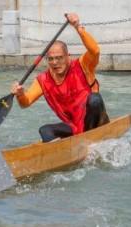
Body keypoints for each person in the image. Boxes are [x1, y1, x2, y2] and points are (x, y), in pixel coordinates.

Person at [12, 13, 109, 141]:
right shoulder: (43, 80)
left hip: (94, 122)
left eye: (59, 58)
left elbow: (95, 51)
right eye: (51, 59)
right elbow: (26, 102)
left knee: (94, 99)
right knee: (45, 131)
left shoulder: (83, 65)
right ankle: (60, 153)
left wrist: (77, 27)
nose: (55, 63)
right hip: (74, 127)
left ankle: (90, 140)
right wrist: (20, 94)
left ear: (68, 57)